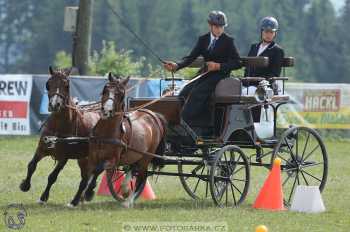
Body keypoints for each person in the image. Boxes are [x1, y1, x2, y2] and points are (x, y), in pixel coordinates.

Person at [164, 11, 241, 136]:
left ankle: (185, 123)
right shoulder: (203, 39)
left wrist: (218, 66)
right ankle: (174, 120)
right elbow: (191, 57)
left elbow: (238, 62)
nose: (219, 29)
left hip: (220, 76)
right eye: (216, 26)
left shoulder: (228, 41)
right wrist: (177, 65)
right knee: (185, 90)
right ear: (210, 25)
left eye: (221, 27)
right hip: (205, 73)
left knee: (197, 92)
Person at [244, 16, 285, 122]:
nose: (268, 34)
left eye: (271, 32)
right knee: (233, 89)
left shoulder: (277, 50)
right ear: (262, 31)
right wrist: (245, 80)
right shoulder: (254, 47)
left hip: (264, 86)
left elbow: (275, 72)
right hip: (249, 83)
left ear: (275, 33)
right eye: (266, 31)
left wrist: (261, 81)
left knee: (251, 92)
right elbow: (247, 67)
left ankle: (253, 124)